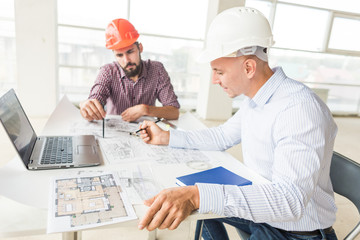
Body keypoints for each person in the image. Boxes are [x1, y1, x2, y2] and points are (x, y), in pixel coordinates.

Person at [137, 7, 338, 240]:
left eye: (218, 71)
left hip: (296, 232)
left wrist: (197, 196)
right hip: (265, 213)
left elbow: (289, 202)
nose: (214, 80)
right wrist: (166, 137)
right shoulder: (256, 100)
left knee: (198, 196)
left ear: (249, 68)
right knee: (188, 195)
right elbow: (222, 136)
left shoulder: (298, 109)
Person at [79, 18, 180, 122]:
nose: (126, 60)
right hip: (114, 133)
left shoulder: (157, 70)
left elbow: (174, 112)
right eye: (119, 55)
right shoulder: (108, 71)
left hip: (146, 134)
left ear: (140, 48)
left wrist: (145, 109)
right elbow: (96, 97)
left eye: (130, 52)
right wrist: (88, 105)